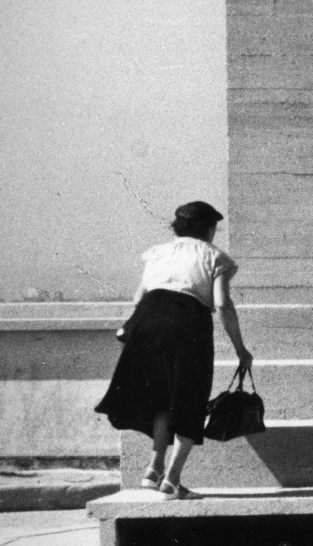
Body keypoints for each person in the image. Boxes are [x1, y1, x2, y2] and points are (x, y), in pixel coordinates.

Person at [95, 201, 254, 499]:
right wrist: (241, 349)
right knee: (189, 399)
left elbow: (138, 297)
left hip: (147, 320)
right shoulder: (215, 257)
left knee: (161, 398)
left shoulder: (158, 252)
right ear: (208, 229)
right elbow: (221, 304)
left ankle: (152, 470)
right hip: (187, 322)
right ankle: (172, 480)